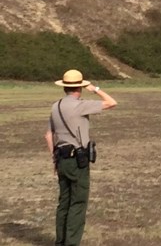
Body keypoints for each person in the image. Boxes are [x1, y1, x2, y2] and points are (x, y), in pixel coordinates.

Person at [44, 69, 117, 246]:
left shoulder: (56, 106)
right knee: (78, 202)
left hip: (61, 158)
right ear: (80, 88)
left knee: (64, 203)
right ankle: (71, 242)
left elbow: (48, 135)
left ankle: (60, 241)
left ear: (64, 88)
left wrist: (55, 160)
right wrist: (95, 88)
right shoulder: (80, 105)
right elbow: (112, 102)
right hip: (77, 161)